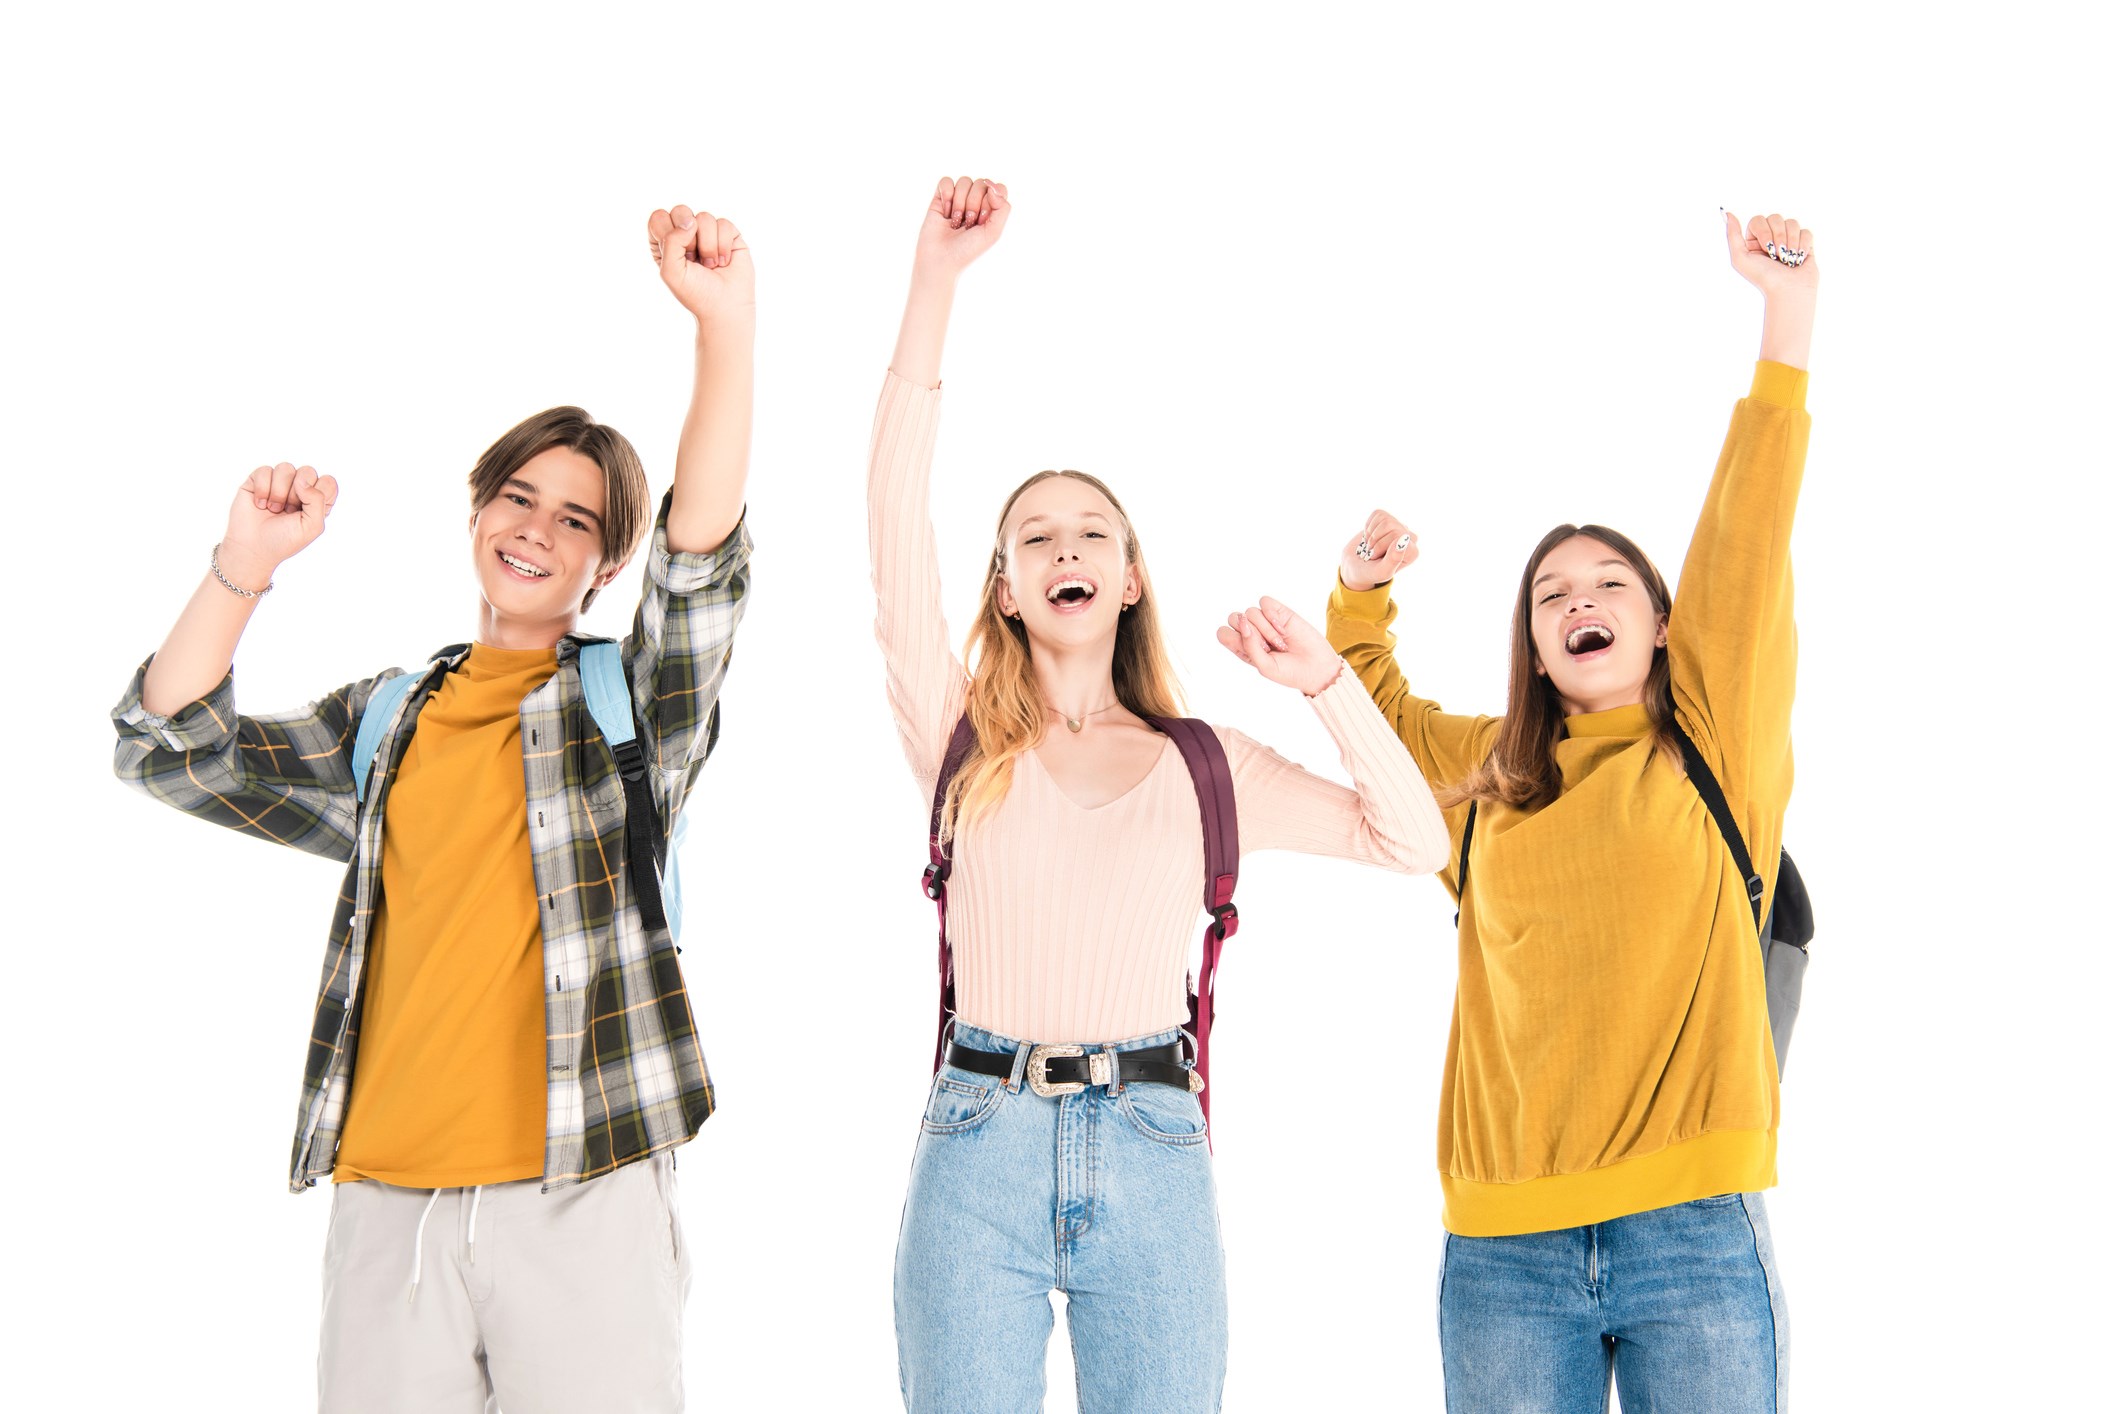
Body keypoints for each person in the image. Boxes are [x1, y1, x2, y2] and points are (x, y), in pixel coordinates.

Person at [109, 202, 756, 1413]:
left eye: (578, 521)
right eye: (518, 498)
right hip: (386, 1202)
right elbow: (171, 750)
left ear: (604, 564)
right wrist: (245, 562)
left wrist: (724, 326)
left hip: (581, 1189)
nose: (536, 531)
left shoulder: (634, 707)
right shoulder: (391, 716)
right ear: (476, 511)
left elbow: (703, 558)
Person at [869, 175, 1453, 1414]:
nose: (1064, 547)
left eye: (1091, 533)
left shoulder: (1206, 766)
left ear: (1129, 579)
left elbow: (1412, 841)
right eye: (1034, 537)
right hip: (976, 1139)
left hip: (1152, 1144)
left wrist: (1326, 683)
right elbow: (890, 522)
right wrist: (935, 286)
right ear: (1009, 588)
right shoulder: (958, 740)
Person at [1324, 211, 1819, 1412]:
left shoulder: (1713, 744)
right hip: (1503, 1251)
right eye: (1553, 593)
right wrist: (1357, 599)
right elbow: (1377, 715)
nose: (1580, 600)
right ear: (1537, 647)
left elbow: (1747, 540)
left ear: (1661, 623)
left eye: (1611, 585)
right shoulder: (1492, 774)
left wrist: (1784, 316)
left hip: (1690, 1232)